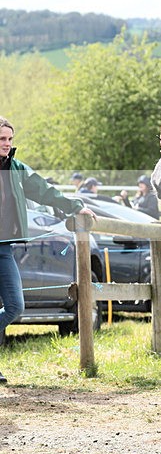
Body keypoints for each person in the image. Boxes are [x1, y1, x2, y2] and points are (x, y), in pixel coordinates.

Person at [0, 117, 96, 382]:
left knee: (14, 307)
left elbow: (44, 191)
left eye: (9, 139)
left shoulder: (16, 169)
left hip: (4, 249)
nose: (7, 144)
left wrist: (75, 206)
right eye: (2, 139)